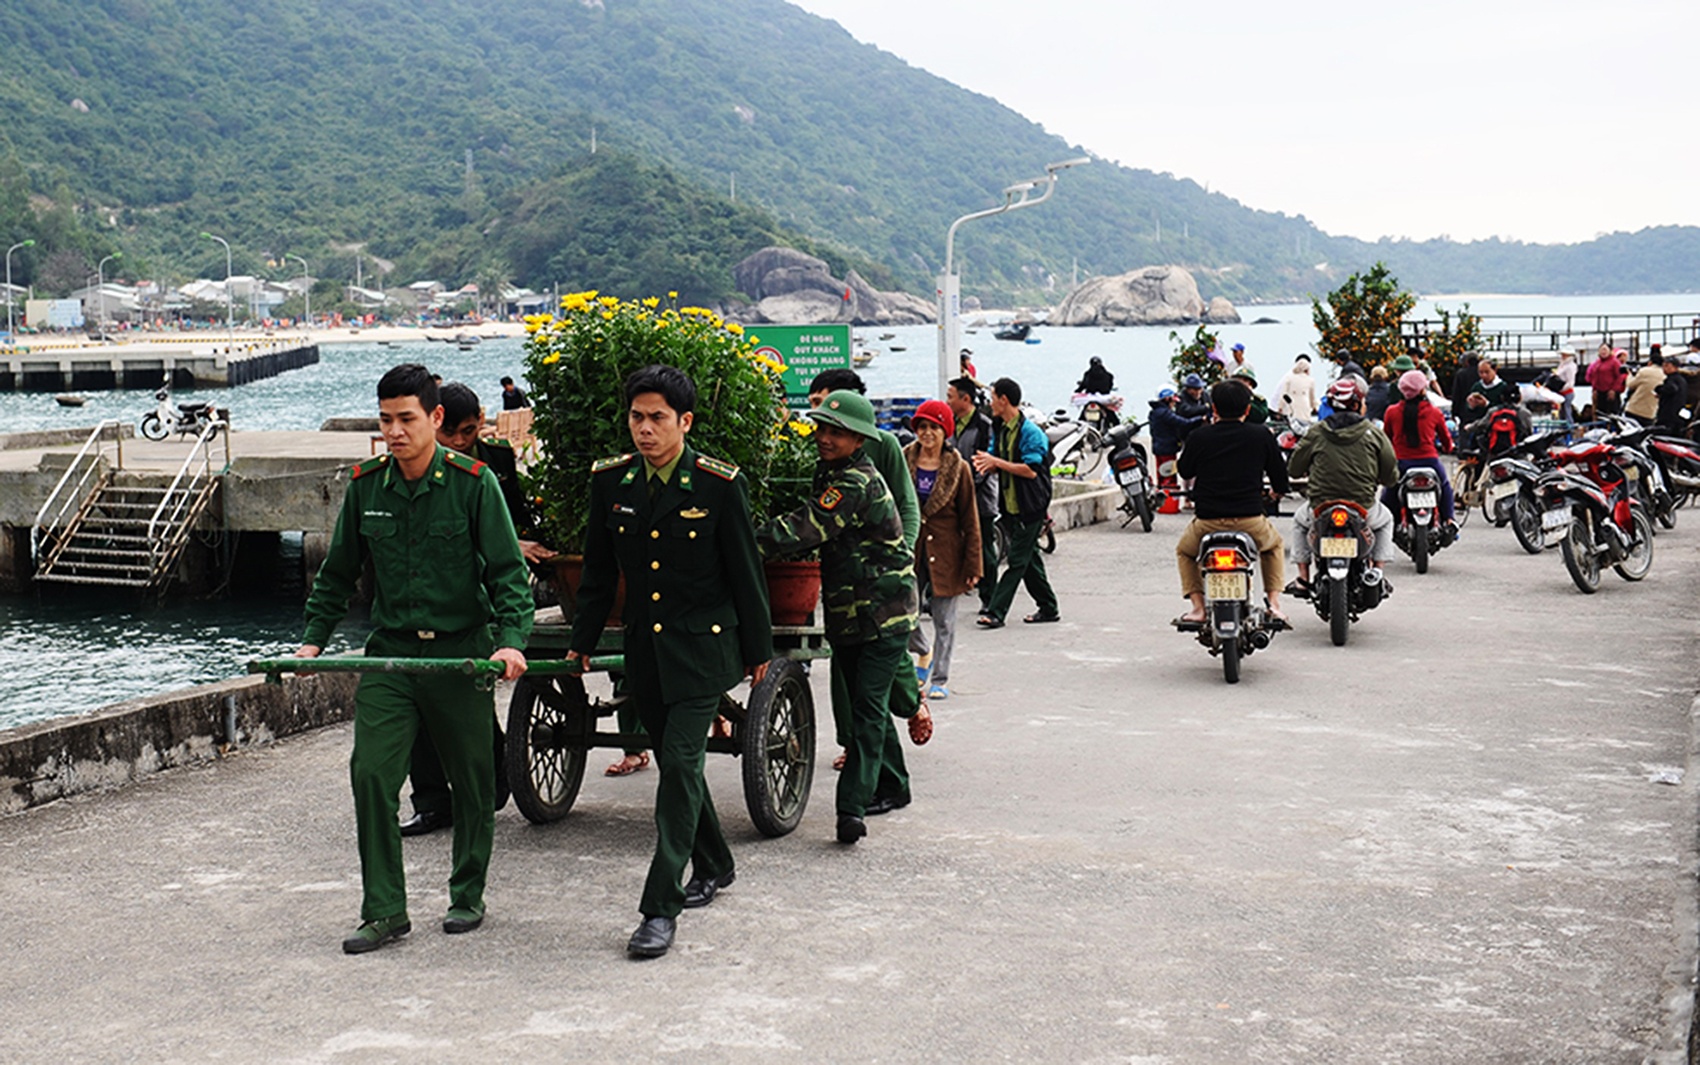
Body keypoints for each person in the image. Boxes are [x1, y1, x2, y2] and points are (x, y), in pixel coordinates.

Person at [296, 363, 532, 954]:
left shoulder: (474, 484)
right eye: (386, 419)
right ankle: (383, 910)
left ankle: (467, 893)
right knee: (371, 775)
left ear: (435, 418)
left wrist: (511, 642)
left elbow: (508, 575)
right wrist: (313, 640)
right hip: (392, 660)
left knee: (473, 780)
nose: (396, 431)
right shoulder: (367, 486)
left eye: (407, 419)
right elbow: (338, 572)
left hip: (461, 657)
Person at [567, 364, 774, 959]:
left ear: (684, 421)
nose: (645, 429)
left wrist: (759, 651)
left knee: (679, 767)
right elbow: (600, 572)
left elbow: (745, 573)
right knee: (676, 765)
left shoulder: (716, 484)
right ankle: (715, 861)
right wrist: (582, 639)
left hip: (705, 652)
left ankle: (661, 908)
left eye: (658, 418)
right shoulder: (612, 483)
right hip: (647, 654)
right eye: (637, 417)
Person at [757, 390, 919, 844]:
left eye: (837, 432)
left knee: (867, 711)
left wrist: (740, 542)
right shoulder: (830, 473)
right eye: (822, 429)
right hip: (851, 612)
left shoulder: (855, 483)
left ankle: (851, 809)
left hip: (883, 614)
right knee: (868, 706)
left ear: (859, 439)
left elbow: (804, 528)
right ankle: (894, 785)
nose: (824, 438)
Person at [398, 381, 549, 837]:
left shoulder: (496, 463)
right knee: (416, 709)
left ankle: (492, 770)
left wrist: (516, 544)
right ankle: (430, 801)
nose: (460, 443)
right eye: (453, 435)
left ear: (479, 423)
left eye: (468, 432)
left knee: (467, 697)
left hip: (477, 597)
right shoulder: (412, 469)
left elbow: (517, 518)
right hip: (429, 594)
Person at [807, 368, 928, 767]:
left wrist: (900, 556)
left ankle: (913, 705)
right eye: (816, 409)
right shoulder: (821, 455)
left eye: (834, 417)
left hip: (884, 583)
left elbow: (906, 504)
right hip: (845, 586)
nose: (824, 429)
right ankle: (856, 748)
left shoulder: (884, 447)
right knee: (853, 682)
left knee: (883, 676)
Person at [1173, 379, 1289, 625]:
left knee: (1185, 551)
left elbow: (1184, 471)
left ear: (1213, 408)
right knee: (1273, 547)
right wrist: (1276, 493)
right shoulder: (1261, 435)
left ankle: (1197, 608)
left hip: (1207, 521)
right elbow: (1280, 476)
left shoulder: (1199, 436)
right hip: (1250, 519)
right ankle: (1274, 603)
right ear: (1247, 410)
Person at [1285, 378, 1398, 597]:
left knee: (1299, 521)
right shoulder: (1374, 433)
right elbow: (1390, 475)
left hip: (1320, 509)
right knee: (1386, 521)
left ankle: (1302, 578)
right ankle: (1377, 573)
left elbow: (1295, 469)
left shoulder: (1316, 432)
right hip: (1363, 509)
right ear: (1357, 404)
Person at [903, 400, 981, 701]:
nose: (927, 433)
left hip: (948, 552)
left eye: (934, 427)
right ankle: (924, 650)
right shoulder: (904, 459)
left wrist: (974, 566)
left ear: (945, 431)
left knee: (945, 620)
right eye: (922, 427)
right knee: (904, 611)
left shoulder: (958, 468)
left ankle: (940, 677)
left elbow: (970, 520)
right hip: (911, 548)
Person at [973, 377, 1059, 628]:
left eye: (993, 397)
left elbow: (1031, 470)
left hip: (1031, 504)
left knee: (1017, 560)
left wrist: (996, 463)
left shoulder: (1030, 432)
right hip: (1009, 504)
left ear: (1004, 400)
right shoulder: (1000, 428)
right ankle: (1048, 606)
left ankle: (996, 611)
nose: (990, 403)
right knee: (1029, 558)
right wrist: (987, 464)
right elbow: (994, 458)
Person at [947, 376, 999, 615]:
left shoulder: (985, 426)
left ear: (965, 399)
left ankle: (989, 598)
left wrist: (968, 490)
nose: (947, 401)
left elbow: (985, 465)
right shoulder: (950, 425)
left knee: (983, 547)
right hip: (952, 498)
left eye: (950, 396)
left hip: (980, 498)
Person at [1382, 370, 1456, 527]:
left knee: (1389, 492)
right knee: (1445, 487)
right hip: (1430, 462)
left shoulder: (1391, 412)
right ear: (1423, 390)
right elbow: (1445, 440)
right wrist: (1449, 448)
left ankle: (1386, 525)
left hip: (1401, 463)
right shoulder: (1435, 412)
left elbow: (1385, 440)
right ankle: (1449, 520)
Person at [1460, 357, 1522, 450]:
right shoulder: (1477, 386)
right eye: (1481, 372)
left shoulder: (1502, 387)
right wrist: (1471, 405)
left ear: (1494, 370)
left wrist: (1487, 404)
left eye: (1487, 372)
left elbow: (1505, 409)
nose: (1484, 375)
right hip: (1478, 426)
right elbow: (1468, 410)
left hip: (1497, 428)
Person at [1149, 387, 1203, 484]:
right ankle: (1170, 498)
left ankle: (1163, 496)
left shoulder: (1155, 412)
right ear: (1167, 399)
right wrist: (1200, 419)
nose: (1174, 404)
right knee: (1169, 477)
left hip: (1158, 448)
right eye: (1173, 401)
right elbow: (1184, 423)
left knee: (1161, 476)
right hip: (1167, 449)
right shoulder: (1165, 413)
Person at [1625, 352, 1665, 426]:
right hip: (1650, 412)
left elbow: (1630, 385)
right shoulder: (1664, 374)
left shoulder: (1644, 371)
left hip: (1635, 409)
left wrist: (1630, 375)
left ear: (1650, 362)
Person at [1586, 346, 1627, 417]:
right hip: (1599, 392)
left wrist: (1614, 389)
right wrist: (1594, 389)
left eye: (1605, 350)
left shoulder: (1615, 362)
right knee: (1599, 413)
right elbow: (1592, 376)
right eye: (1601, 350)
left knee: (1612, 413)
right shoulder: (1597, 363)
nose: (1603, 352)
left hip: (1611, 392)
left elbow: (1620, 377)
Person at [1275, 355, 1317, 419]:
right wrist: (1314, 408)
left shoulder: (1289, 378)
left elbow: (1283, 395)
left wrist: (1280, 408)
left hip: (1292, 406)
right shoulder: (1311, 380)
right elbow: (1312, 398)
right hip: (1304, 407)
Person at [1655, 357, 1690, 433]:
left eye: (1667, 365)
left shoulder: (1672, 379)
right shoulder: (1682, 379)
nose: (1664, 368)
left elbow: (1672, 388)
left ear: (1675, 367)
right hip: (1678, 415)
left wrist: (1659, 389)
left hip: (1668, 414)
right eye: (1663, 365)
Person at [1552, 347, 1579, 423]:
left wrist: (1562, 388)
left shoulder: (1571, 366)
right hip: (1561, 392)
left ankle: (1569, 429)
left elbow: (1571, 382)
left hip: (1567, 392)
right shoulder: (1562, 364)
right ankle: (1563, 429)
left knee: (1567, 412)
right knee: (1562, 413)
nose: (1563, 356)